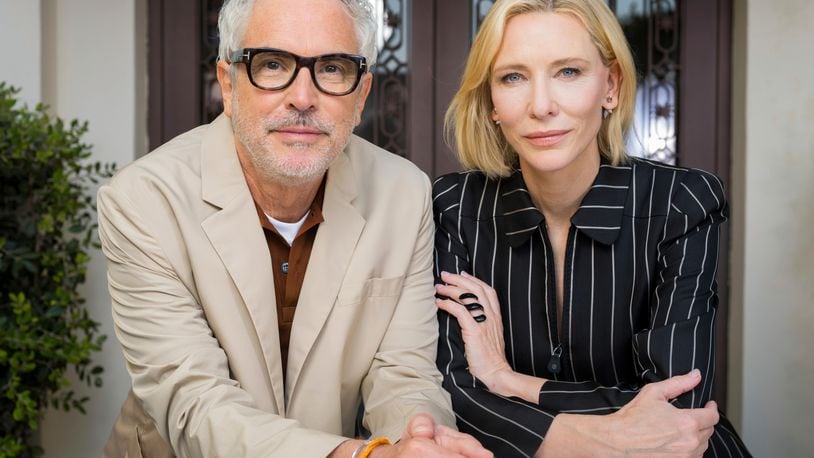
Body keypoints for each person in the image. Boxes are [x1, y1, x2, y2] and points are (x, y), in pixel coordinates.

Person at [98, 0, 492, 457]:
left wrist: (417, 441)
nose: (303, 97)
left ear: (361, 94)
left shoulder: (404, 194)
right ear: (228, 85)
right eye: (272, 64)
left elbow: (403, 374)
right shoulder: (143, 200)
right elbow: (194, 403)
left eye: (331, 68)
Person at [432, 0, 750, 456]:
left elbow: (676, 407)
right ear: (492, 103)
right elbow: (451, 391)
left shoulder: (682, 204)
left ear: (611, 87)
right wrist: (591, 435)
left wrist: (508, 380)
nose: (541, 106)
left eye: (568, 72)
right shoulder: (455, 207)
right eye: (513, 77)